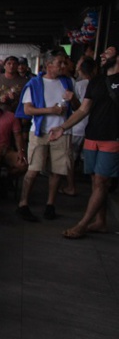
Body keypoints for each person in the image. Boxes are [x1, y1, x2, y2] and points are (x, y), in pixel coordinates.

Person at [50, 46, 119, 238]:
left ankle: (82, 224)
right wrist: (62, 127)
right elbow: (83, 110)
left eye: (109, 52)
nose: (103, 55)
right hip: (92, 136)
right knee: (97, 182)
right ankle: (100, 221)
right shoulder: (96, 81)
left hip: (113, 138)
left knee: (101, 181)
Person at [15, 51, 79, 221]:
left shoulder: (68, 82)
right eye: (60, 63)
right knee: (33, 169)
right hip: (39, 132)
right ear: (49, 65)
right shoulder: (34, 83)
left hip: (62, 132)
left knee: (57, 170)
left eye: (64, 63)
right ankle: (23, 203)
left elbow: (79, 107)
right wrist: (50, 110)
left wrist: (73, 100)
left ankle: (50, 205)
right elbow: (27, 110)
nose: (64, 66)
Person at [59, 57, 97, 196]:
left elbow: (78, 108)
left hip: (77, 126)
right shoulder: (97, 84)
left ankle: (70, 186)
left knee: (70, 158)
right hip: (90, 127)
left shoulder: (79, 85)